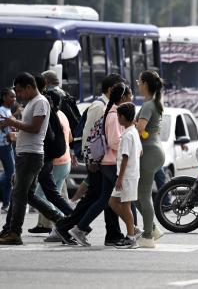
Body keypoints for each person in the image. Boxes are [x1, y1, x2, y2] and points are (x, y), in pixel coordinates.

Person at [55, 73, 126, 246]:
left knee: (99, 197)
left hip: (101, 160)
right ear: (111, 90)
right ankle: (70, 227)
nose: (123, 95)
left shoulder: (108, 106)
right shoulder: (99, 106)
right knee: (98, 198)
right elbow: (89, 135)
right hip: (97, 161)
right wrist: (91, 161)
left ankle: (108, 233)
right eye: (121, 90)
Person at [0, 73, 65, 245]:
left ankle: (14, 233)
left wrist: (13, 122)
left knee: (19, 194)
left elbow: (35, 128)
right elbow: (28, 129)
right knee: (28, 195)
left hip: (31, 156)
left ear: (29, 87)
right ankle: (61, 220)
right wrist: (15, 130)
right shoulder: (31, 103)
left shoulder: (40, 102)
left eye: (21, 91)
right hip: (26, 155)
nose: (19, 95)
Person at [68, 83, 133, 246]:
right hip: (111, 163)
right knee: (124, 199)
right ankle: (134, 232)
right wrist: (128, 144)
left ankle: (79, 229)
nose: (131, 99)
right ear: (123, 98)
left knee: (104, 200)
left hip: (108, 163)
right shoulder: (113, 116)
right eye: (129, 96)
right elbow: (113, 141)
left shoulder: (111, 113)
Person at [33, 92, 74, 238]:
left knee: (38, 195)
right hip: (65, 160)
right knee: (55, 197)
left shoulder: (50, 117)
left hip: (55, 161)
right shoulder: (62, 115)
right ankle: (62, 228)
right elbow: (70, 137)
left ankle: (62, 223)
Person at [134, 71, 166, 248]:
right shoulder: (155, 103)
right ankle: (152, 228)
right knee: (138, 195)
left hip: (149, 151)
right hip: (154, 150)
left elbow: (140, 130)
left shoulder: (148, 105)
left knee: (143, 195)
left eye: (139, 81)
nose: (138, 84)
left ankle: (147, 236)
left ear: (145, 84)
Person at [109, 103, 143, 249]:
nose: (117, 118)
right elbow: (140, 152)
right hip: (130, 174)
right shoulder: (133, 132)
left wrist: (120, 177)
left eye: (118, 116)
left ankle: (131, 237)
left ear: (122, 117)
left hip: (127, 176)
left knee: (125, 205)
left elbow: (125, 157)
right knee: (113, 202)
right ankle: (133, 229)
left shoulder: (128, 135)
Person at [0, 88, 17, 213]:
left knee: (10, 173)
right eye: (11, 96)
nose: (14, 99)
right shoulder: (1, 110)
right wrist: (14, 116)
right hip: (3, 145)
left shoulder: (7, 110)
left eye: (15, 97)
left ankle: (6, 204)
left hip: (8, 144)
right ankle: (6, 204)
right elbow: (1, 125)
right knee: (10, 173)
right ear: (4, 97)